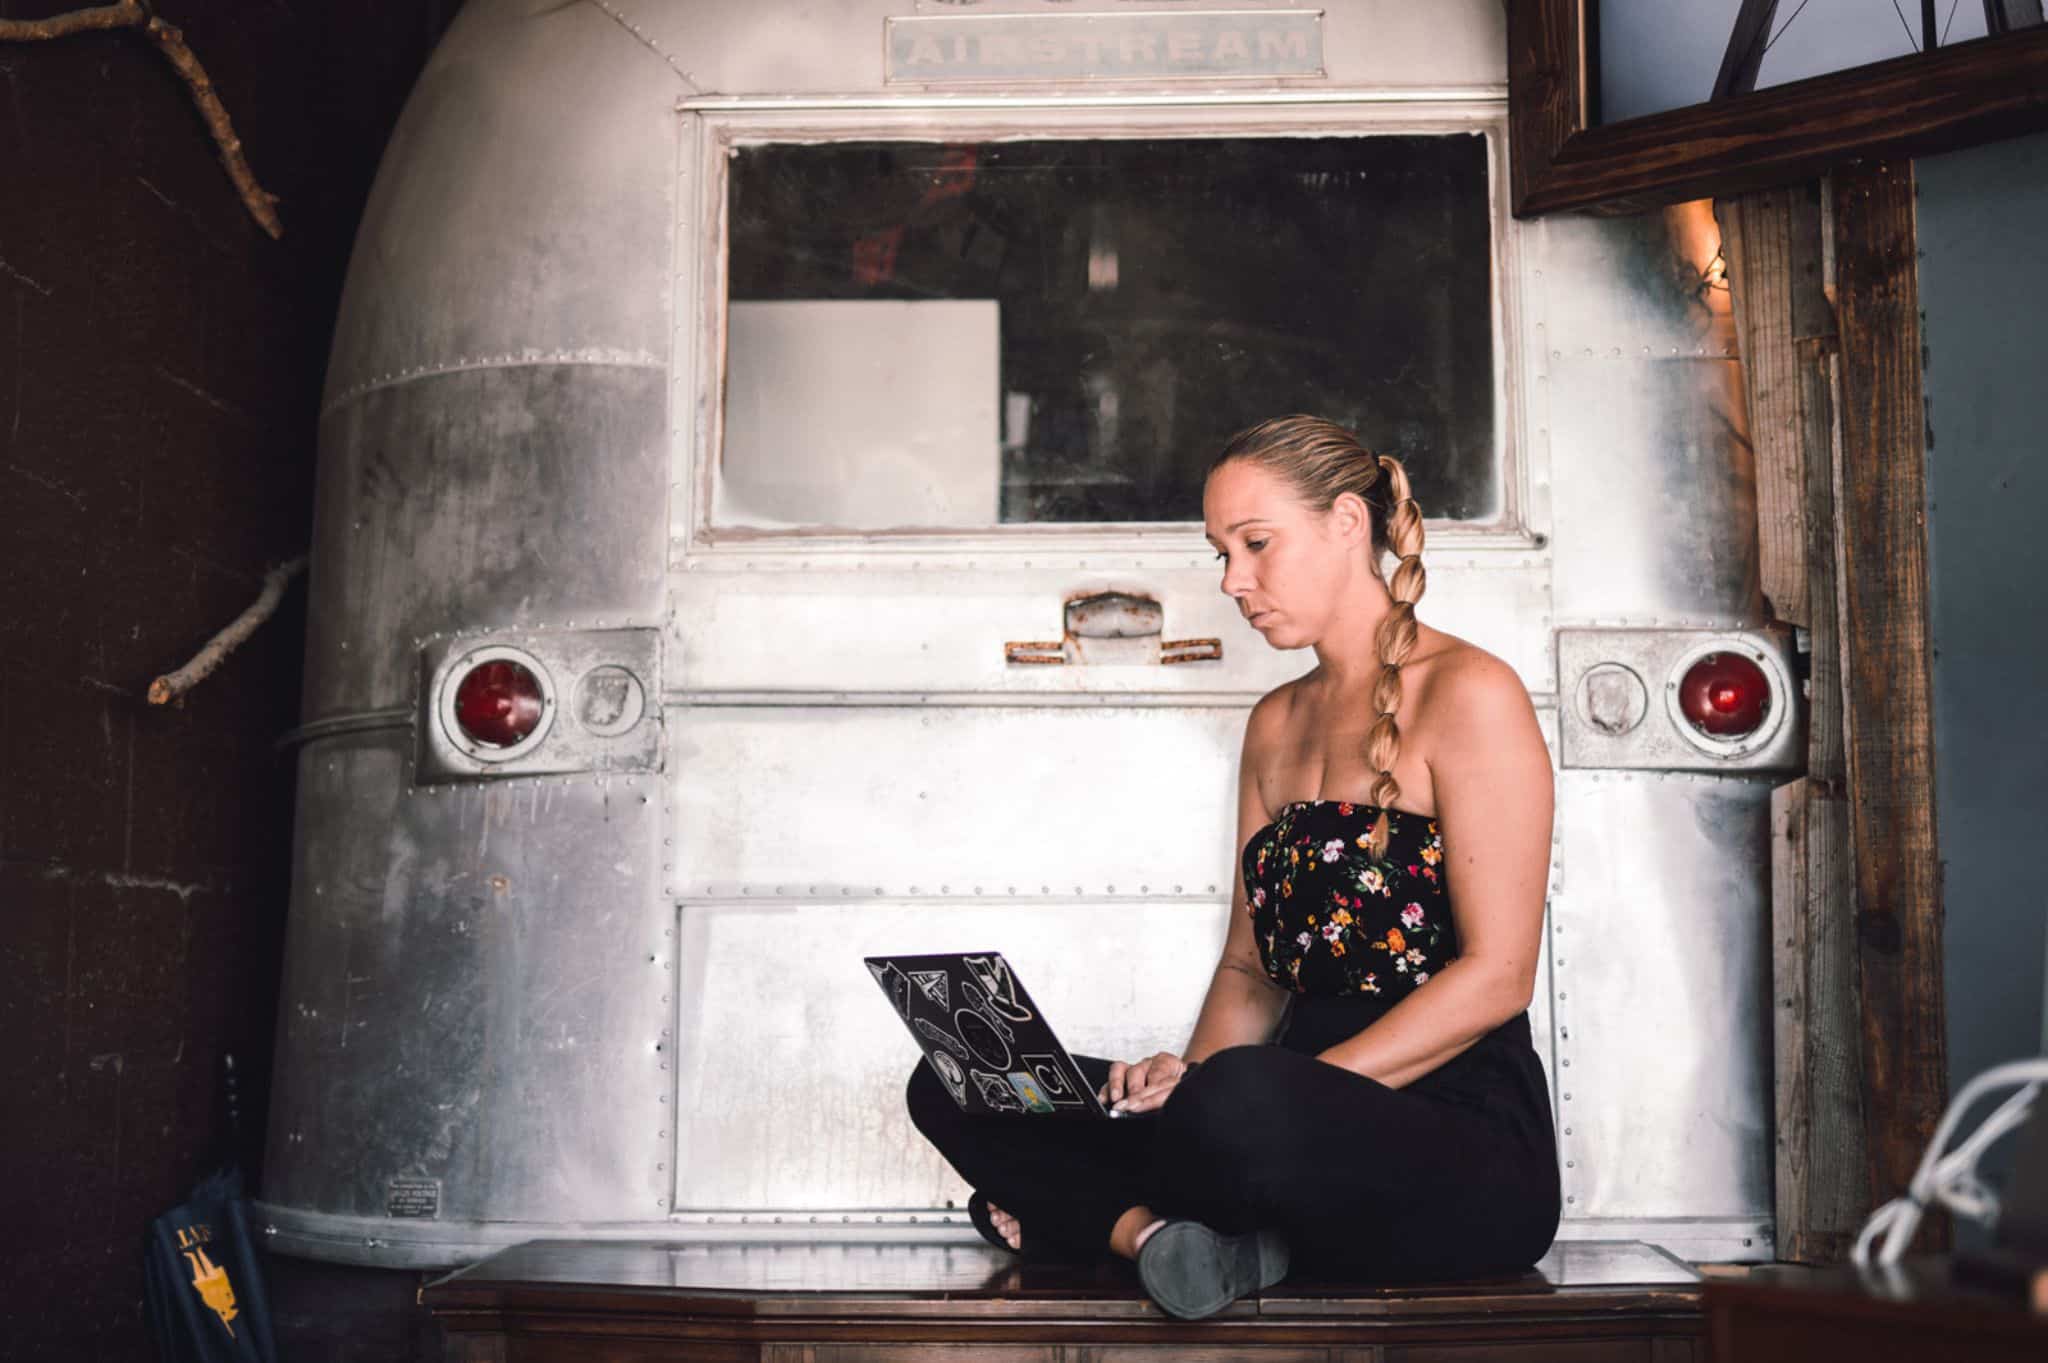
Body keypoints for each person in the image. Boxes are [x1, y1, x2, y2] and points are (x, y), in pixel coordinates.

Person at [906, 415, 1561, 1319]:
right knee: (958, 1072)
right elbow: (1250, 968)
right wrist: (1186, 1078)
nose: (1232, 581)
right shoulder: (1276, 722)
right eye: (1221, 552)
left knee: (1240, 1103)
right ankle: (1156, 1237)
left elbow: (1499, 977)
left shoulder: (1471, 693)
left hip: (1456, 1139)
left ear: (1345, 524)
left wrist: (1239, 1097)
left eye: (1255, 544)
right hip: (1270, 1112)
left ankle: (1092, 1215)